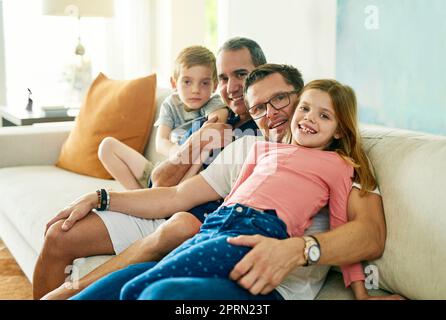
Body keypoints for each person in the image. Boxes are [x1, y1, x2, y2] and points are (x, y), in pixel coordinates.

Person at [49, 64, 398, 300]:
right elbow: (173, 196)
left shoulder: (339, 164)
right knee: (104, 292)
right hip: (216, 236)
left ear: (299, 95)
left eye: (280, 99)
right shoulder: (253, 148)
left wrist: (299, 248)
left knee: (156, 294)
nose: (272, 112)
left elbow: (369, 235)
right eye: (259, 107)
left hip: (270, 285)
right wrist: (101, 196)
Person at [34, 37, 265, 300]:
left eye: (241, 75)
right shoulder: (211, 117)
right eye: (223, 78)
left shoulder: (271, 128)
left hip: (194, 225)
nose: (231, 87)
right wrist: (200, 137)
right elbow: (160, 183)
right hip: (160, 208)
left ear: (261, 72)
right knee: (58, 235)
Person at [97, 45, 228, 191]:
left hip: (188, 180)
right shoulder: (171, 104)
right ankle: (139, 196)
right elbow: (161, 142)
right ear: (174, 83)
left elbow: (213, 134)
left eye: (204, 83)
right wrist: (179, 154)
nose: (195, 90)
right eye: (187, 82)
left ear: (214, 85)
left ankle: (149, 200)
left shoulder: (214, 104)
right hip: (162, 173)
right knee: (106, 146)